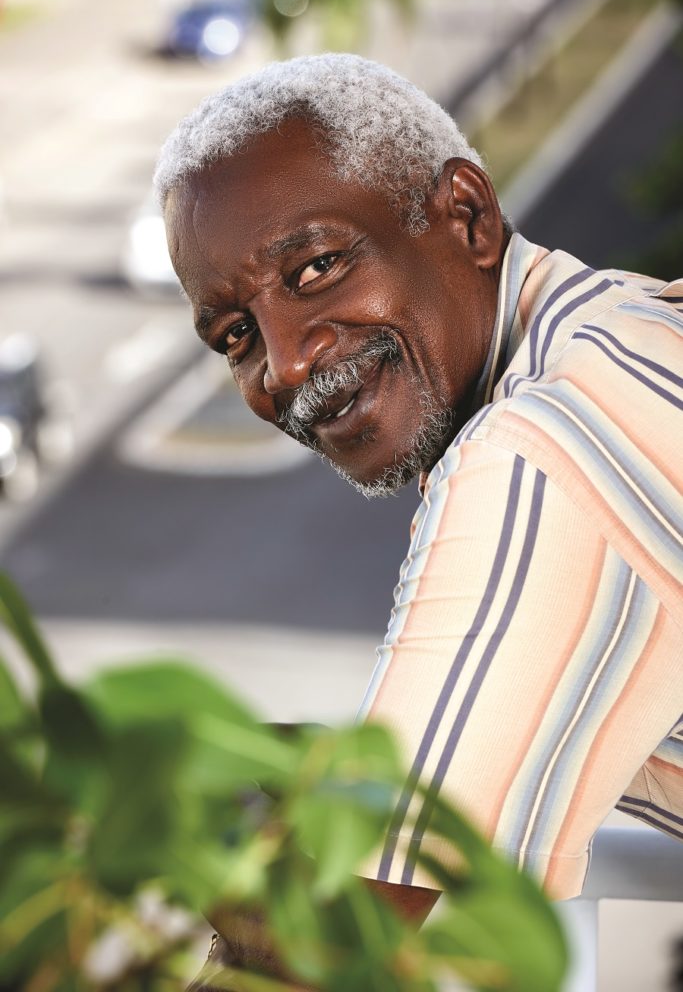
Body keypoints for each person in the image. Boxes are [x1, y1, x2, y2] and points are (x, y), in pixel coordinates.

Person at [155, 53, 683, 980]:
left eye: (316, 267)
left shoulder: (537, 457)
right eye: (235, 334)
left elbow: (332, 949)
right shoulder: (627, 329)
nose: (282, 365)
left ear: (466, 217)